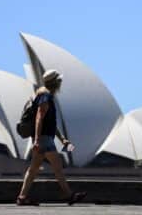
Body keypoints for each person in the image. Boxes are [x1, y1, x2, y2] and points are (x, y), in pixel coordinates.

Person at [16, 69, 87, 206]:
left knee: (34, 169)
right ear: (55, 82)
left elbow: (50, 122)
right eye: (59, 81)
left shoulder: (45, 95)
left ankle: (22, 197)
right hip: (44, 139)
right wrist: (36, 140)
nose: (60, 83)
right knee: (57, 167)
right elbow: (39, 118)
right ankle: (69, 195)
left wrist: (62, 139)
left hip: (44, 137)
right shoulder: (45, 96)